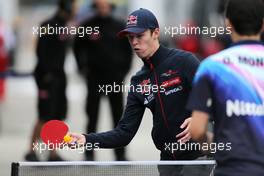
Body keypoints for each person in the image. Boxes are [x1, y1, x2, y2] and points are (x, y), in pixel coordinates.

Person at [69, 8, 213, 175]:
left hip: (197, 156)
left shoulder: (184, 61)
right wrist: (87, 139)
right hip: (167, 161)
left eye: (140, 36)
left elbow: (216, 96)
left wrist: (199, 118)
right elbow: (124, 133)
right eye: (131, 38)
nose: (135, 42)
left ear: (155, 33)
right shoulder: (138, 81)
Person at [187, 0, 264, 175]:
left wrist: (214, 144)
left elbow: (197, 129)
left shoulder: (211, 67)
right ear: (263, 24)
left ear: (227, 23)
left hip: (231, 169)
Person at [73, 0, 132, 161]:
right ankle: (89, 152)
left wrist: (123, 71)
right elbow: (77, 47)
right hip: (94, 78)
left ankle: (120, 154)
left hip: (115, 79)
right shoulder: (87, 25)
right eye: (100, 5)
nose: (103, 8)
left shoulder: (119, 25)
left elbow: (128, 50)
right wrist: (82, 68)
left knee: (118, 116)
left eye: (106, 5)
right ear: (96, 7)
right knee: (92, 115)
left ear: (110, 7)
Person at [25, 0, 77, 161]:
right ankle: (31, 151)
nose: (75, 10)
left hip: (59, 77)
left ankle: (53, 153)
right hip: (47, 78)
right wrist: (46, 76)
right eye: (74, 7)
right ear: (67, 7)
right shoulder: (49, 25)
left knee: (56, 116)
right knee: (44, 115)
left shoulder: (65, 26)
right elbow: (41, 53)